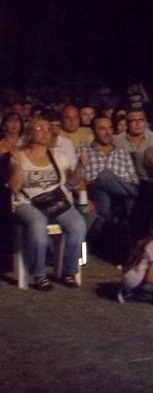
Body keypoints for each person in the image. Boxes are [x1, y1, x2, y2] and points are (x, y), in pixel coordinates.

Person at [8, 117, 87, 290]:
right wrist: (18, 165)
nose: (45, 131)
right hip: (27, 202)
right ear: (30, 132)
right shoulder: (19, 154)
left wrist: (80, 167)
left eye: (47, 128)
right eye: (39, 128)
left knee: (78, 225)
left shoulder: (57, 156)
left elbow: (72, 183)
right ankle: (39, 274)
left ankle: (70, 271)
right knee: (38, 224)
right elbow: (14, 187)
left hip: (54, 201)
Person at [78, 116, 140, 259]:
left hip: (121, 197)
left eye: (110, 128)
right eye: (102, 128)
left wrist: (111, 182)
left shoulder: (122, 153)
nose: (108, 132)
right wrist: (92, 185)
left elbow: (133, 180)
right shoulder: (83, 152)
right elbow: (77, 180)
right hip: (94, 195)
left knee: (107, 179)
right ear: (93, 131)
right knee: (103, 179)